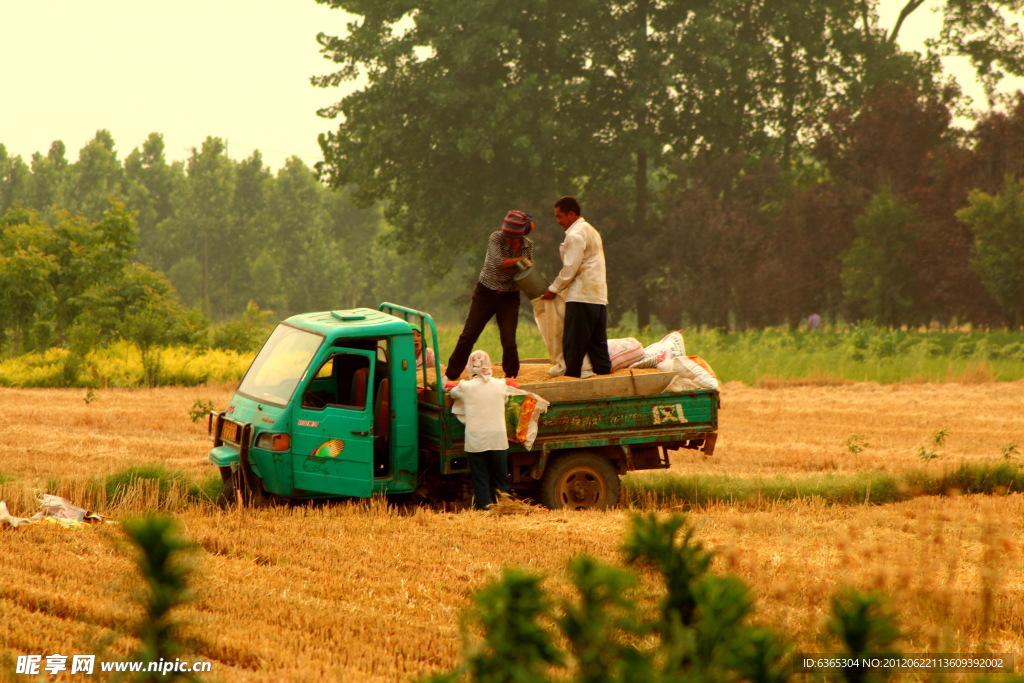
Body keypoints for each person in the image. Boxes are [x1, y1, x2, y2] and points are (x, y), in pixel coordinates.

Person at [444, 210, 535, 382]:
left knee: (509, 339)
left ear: (520, 235)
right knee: (468, 335)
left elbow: (527, 269)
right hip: (486, 293)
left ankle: (511, 375)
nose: (507, 238)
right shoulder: (496, 238)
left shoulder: (528, 245)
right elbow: (498, 262)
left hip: (509, 296)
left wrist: (528, 268)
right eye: (506, 235)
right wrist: (520, 260)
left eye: (511, 236)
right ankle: (451, 374)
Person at [540, 196, 611, 378]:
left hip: (581, 297)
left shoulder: (575, 234)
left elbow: (570, 268)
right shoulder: (591, 231)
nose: (558, 221)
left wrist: (553, 289)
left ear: (571, 214)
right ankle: (606, 382)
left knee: (574, 346)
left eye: (560, 216)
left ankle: (571, 381)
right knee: (598, 346)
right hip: (599, 298)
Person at [448, 350, 512, 509]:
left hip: (476, 441)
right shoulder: (500, 384)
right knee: (501, 478)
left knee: (481, 477)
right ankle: (504, 506)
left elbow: (452, 392)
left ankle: (485, 507)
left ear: (470, 366)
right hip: (498, 439)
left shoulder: (465, 387)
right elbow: (507, 398)